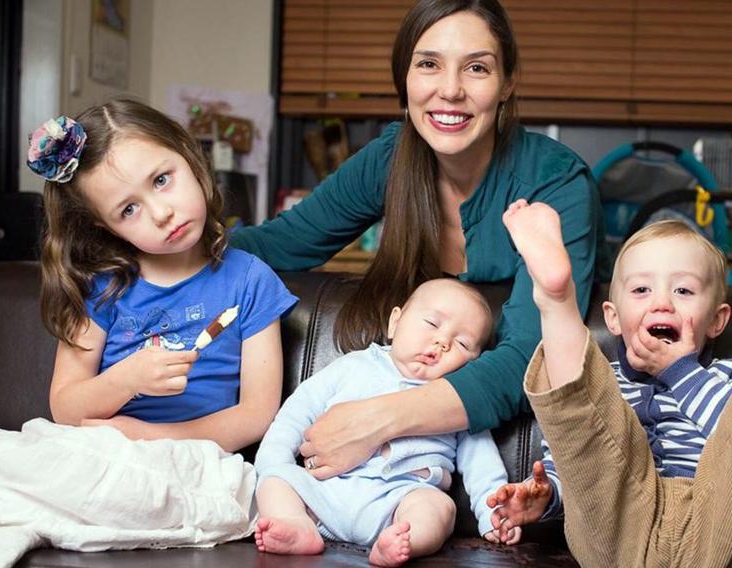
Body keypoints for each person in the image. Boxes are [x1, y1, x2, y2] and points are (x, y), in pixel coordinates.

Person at [230, 0, 605, 478]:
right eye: (428, 64)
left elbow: (533, 358)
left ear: (508, 83)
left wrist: (377, 419)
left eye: (476, 68)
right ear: (404, 78)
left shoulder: (556, 181)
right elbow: (278, 245)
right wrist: (140, 249)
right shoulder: (391, 158)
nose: (449, 91)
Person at [489, 199, 732, 567]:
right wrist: (548, 496)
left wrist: (679, 371)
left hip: (717, 519)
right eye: (641, 291)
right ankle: (555, 300)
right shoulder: (605, 387)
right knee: (581, 421)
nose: (662, 303)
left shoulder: (728, 376)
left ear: (717, 320)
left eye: (683, 291)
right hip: (620, 531)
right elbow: (580, 467)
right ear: (613, 319)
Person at [35, 98, 296, 451]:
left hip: (197, 461)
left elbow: (257, 415)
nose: (161, 213)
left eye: (161, 180)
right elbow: (64, 409)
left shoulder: (251, 282)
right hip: (102, 456)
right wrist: (127, 380)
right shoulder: (101, 288)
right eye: (128, 209)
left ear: (189, 157)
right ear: (107, 227)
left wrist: (152, 438)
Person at [253, 278, 518, 566]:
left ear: (473, 363)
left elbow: (483, 465)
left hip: (399, 500)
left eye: (463, 343)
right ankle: (297, 526)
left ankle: (401, 543)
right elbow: (295, 415)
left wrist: (494, 512)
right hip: (325, 493)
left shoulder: (454, 402)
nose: (442, 342)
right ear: (395, 322)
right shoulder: (352, 367)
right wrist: (273, 465)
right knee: (275, 481)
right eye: (431, 323)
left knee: (439, 509)